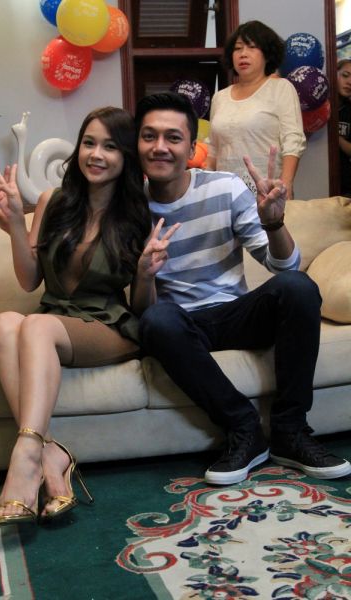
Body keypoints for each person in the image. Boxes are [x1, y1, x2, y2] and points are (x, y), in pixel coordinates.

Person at [134, 91, 351, 486]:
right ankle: (245, 429)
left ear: (192, 148)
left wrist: (274, 223)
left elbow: (282, 265)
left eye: (173, 137)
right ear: (137, 144)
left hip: (235, 314)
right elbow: (140, 309)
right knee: (156, 320)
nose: (160, 146)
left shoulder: (224, 188)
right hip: (182, 326)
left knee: (298, 287)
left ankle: (290, 431)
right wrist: (145, 274)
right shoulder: (129, 207)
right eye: (149, 136)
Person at [0, 106, 168, 524]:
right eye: (89, 143)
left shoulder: (138, 214)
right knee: (4, 322)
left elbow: (143, 309)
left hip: (109, 324)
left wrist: (145, 273)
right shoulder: (53, 201)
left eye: (110, 147)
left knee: (35, 324)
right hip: (54, 320)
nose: (96, 154)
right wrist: (16, 223)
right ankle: (50, 455)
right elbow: (29, 280)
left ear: (125, 157)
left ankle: (26, 457)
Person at [206, 20, 306, 200]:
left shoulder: (281, 88)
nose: (243, 54)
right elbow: (213, 148)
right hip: (224, 194)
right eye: (238, 48)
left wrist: (285, 186)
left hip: (267, 193)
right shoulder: (220, 97)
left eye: (252, 47)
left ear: (267, 54)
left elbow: (293, 140)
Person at [338, 58, 351, 197]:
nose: (350, 82)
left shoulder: (349, 110)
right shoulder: (322, 106)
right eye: (345, 75)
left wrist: (337, 139)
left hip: (347, 188)